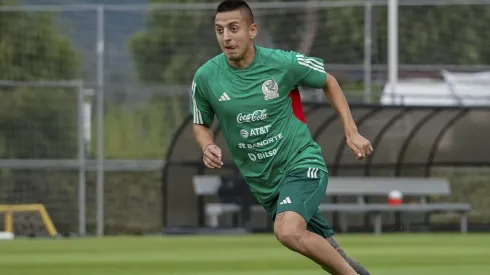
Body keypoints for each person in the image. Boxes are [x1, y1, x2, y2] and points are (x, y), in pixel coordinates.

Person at [191, 0, 373, 274]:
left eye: (233, 28)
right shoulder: (206, 78)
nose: (226, 37)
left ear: (252, 31)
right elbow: (200, 123)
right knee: (334, 256)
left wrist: (352, 131)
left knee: (287, 232)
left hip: (301, 163)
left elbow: (328, 81)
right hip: (266, 185)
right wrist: (206, 145)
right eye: (219, 30)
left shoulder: (282, 63)